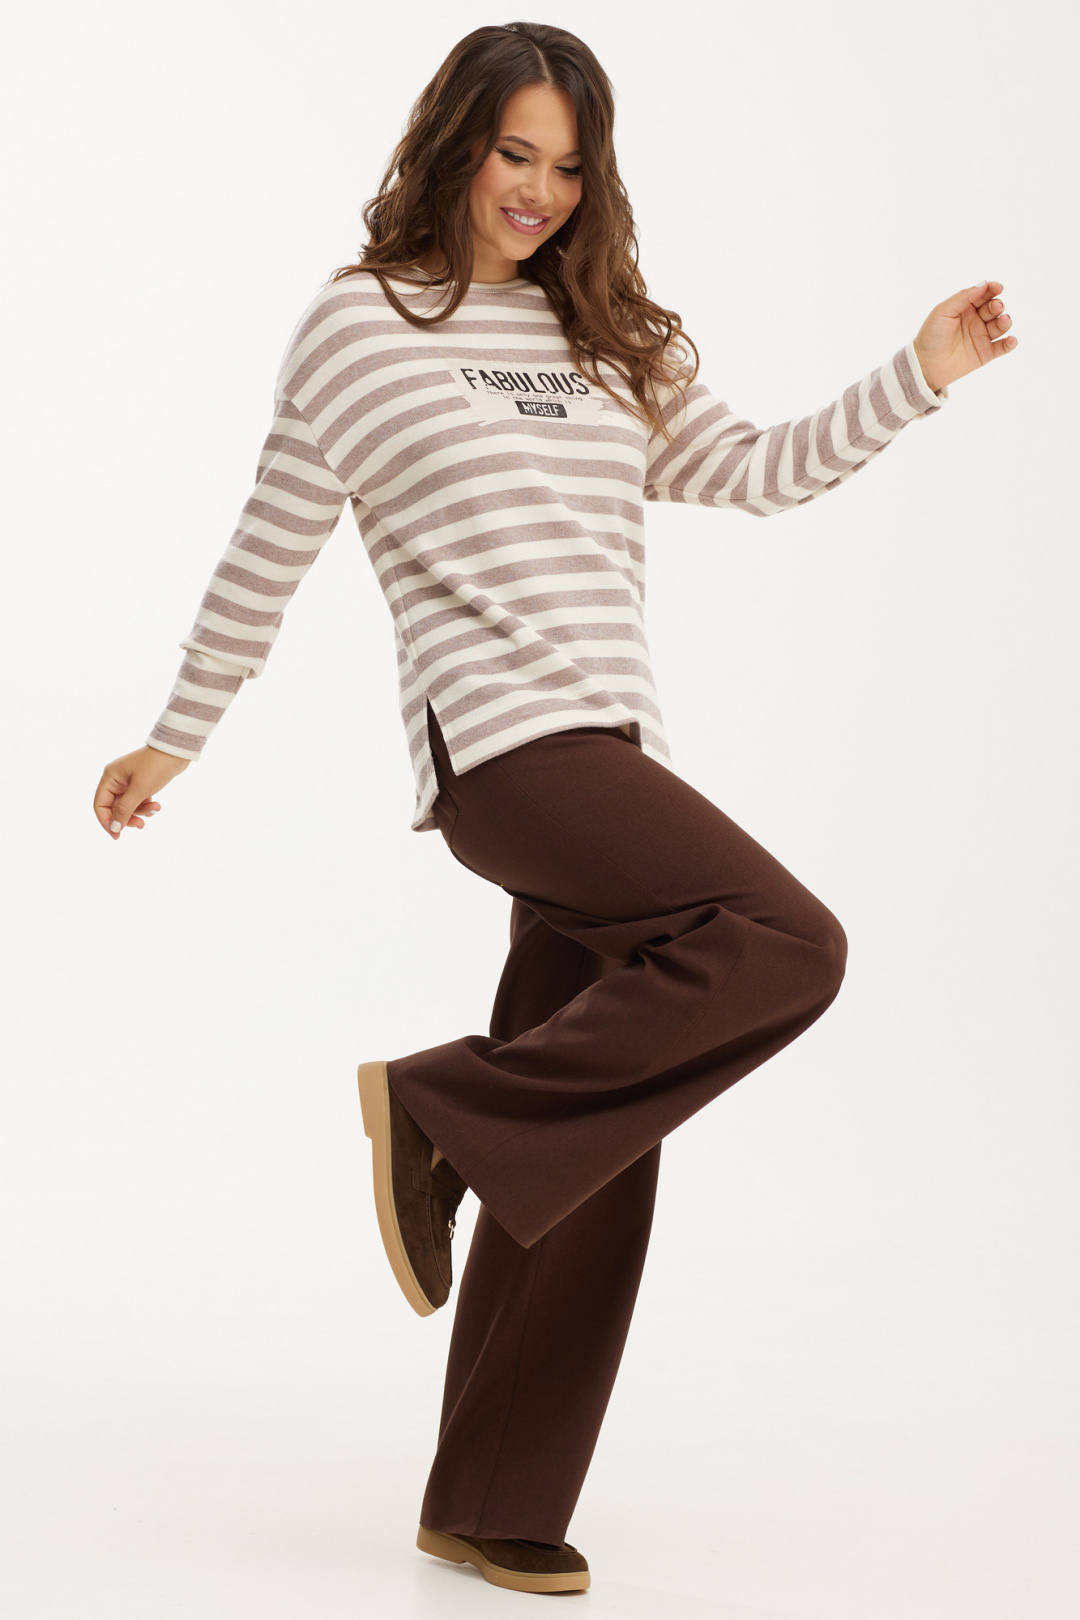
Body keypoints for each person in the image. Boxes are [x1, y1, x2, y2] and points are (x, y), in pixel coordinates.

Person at [92, 19, 1016, 1599]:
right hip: (509, 761)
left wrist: (917, 375)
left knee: (597, 1131)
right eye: (514, 154)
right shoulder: (361, 324)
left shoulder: (605, 336)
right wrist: (176, 737)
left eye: (569, 167)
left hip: (611, 747)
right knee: (788, 941)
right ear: (455, 145)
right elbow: (271, 544)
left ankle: (491, 1496)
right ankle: (442, 1112)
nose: (537, 190)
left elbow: (759, 470)